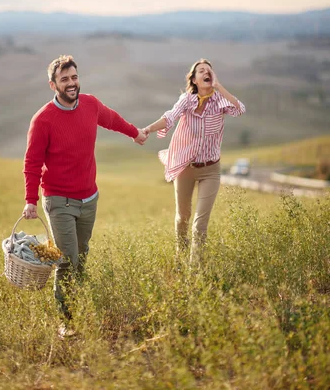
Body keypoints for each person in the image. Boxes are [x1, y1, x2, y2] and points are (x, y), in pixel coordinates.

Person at [22, 55, 147, 330]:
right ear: (52, 85)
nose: (71, 83)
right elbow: (32, 163)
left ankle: (80, 306)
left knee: (82, 256)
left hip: (89, 198)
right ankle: (66, 322)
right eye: (64, 79)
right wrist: (31, 200)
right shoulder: (43, 120)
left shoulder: (90, 104)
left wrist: (134, 133)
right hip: (58, 200)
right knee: (67, 260)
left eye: (74, 77)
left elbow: (112, 119)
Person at [143, 58, 245, 263]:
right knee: (183, 217)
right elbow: (170, 117)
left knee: (200, 224)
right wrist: (147, 129)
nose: (206, 72)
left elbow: (239, 109)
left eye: (209, 70)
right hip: (186, 168)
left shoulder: (220, 101)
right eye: (201, 71)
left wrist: (218, 86)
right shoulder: (187, 100)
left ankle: (194, 272)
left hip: (211, 170)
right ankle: (180, 256)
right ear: (195, 79)